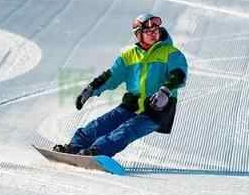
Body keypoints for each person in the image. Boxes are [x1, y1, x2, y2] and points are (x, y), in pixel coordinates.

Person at [53, 13, 188, 157]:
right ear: (138, 35)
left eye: (156, 31)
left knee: (126, 130)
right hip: (131, 105)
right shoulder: (129, 55)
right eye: (148, 32)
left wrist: (165, 92)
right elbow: (111, 76)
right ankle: (74, 147)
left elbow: (179, 74)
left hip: (157, 109)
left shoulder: (171, 53)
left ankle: (97, 152)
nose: (153, 34)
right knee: (99, 125)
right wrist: (91, 89)